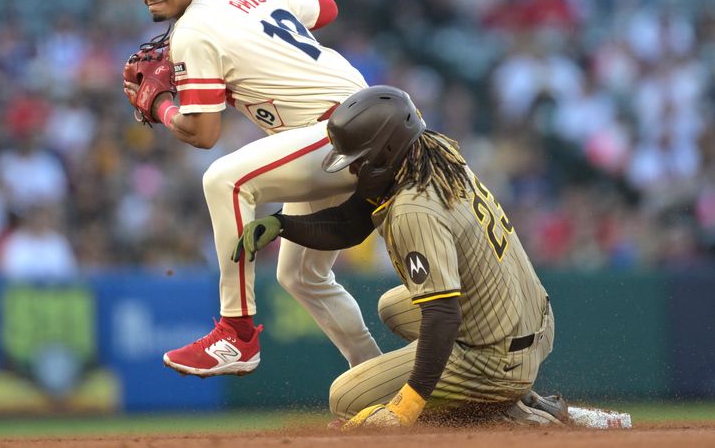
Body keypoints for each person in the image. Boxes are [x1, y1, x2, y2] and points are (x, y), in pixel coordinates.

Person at [115, 0, 381, 378]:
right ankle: (374, 375)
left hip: (344, 132)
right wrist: (267, 32)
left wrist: (159, 106)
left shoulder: (193, 32)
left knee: (224, 179)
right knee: (299, 276)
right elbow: (326, 6)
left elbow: (203, 133)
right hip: (356, 126)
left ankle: (235, 334)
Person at [235, 85, 565, 428]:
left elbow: (443, 316)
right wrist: (282, 224)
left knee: (346, 398)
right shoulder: (431, 154)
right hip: (531, 318)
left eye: (358, 160)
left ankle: (502, 415)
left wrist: (407, 406)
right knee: (392, 307)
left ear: (386, 151)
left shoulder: (413, 209)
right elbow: (350, 223)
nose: (352, 171)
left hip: (496, 357)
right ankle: (515, 399)